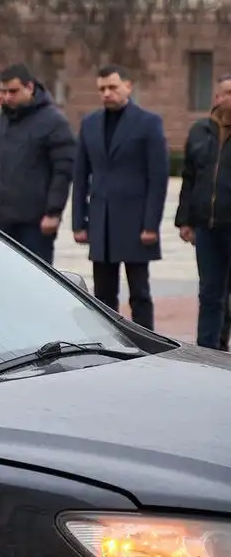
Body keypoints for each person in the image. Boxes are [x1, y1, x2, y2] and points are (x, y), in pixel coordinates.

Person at [71, 65, 168, 330]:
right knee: (103, 295)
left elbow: (158, 178)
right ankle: (110, 340)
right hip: (101, 222)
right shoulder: (90, 124)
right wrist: (79, 222)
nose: (106, 93)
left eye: (112, 87)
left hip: (136, 223)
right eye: (102, 89)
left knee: (140, 292)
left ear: (128, 86)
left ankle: (148, 341)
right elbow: (80, 176)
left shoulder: (149, 123)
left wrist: (151, 225)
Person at [0, 63, 76, 264]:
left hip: (35, 223)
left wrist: (53, 212)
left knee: (35, 274)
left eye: (13, 91)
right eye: (4, 92)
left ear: (29, 87)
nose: (7, 97)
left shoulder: (53, 122)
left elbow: (63, 171)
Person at [175, 75, 231, 348]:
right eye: (227, 92)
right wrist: (185, 220)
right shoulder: (200, 131)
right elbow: (189, 177)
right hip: (207, 229)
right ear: (217, 97)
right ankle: (209, 351)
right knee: (210, 294)